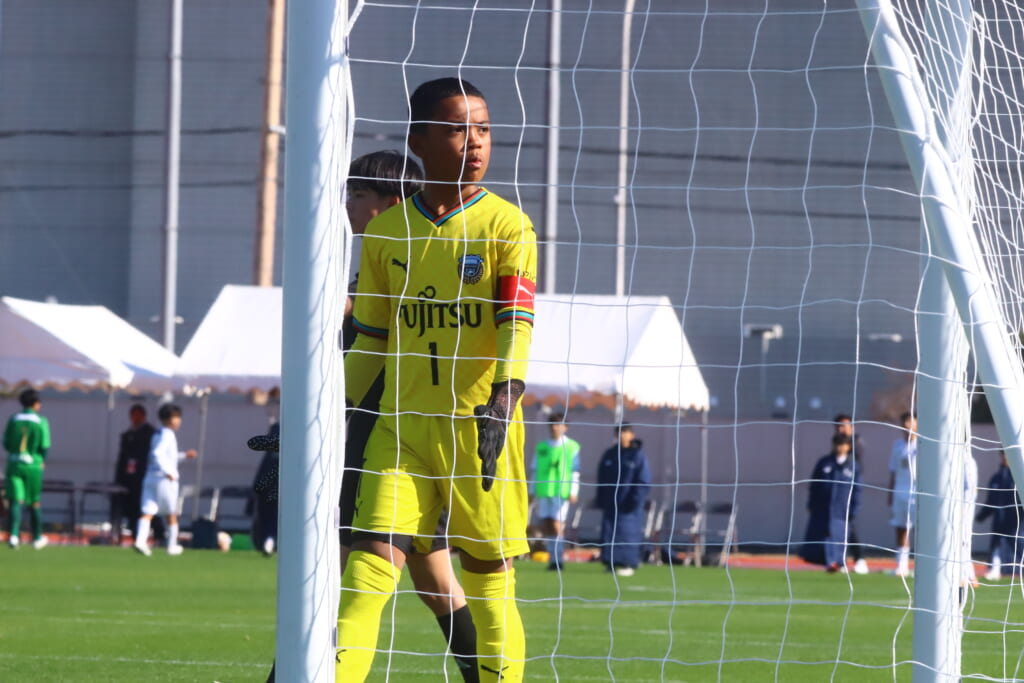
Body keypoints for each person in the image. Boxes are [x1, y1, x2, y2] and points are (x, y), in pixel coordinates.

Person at [336, 77, 536, 682]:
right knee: (366, 575)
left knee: (488, 585)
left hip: (480, 432)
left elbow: (516, 324)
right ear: (419, 141)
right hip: (401, 432)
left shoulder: (508, 226)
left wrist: (506, 394)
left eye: (483, 129)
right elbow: (371, 343)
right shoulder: (387, 233)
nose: (475, 142)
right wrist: (315, 419)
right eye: (457, 129)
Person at [134, 404, 197, 556]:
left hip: (150, 477)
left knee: (148, 511)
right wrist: (168, 471)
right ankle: (172, 545)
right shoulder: (168, 434)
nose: (179, 421)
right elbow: (157, 454)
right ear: (169, 419)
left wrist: (184, 456)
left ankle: (140, 541)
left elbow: (168, 457)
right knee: (171, 513)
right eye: (177, 417)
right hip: (164, 480)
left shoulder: (157, 433)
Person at [800, 433, 862, 572]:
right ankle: (827, 561)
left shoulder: (853, 466)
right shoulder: (824, 462)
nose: (840, 447)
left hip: (841, 509)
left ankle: (839, 562)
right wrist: (811, 503)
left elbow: (857, 489)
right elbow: (814, 485)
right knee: (822, 535)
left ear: (848, 446)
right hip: (823, 508)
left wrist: (854, 508)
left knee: (839, 536)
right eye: (837, 444)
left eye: (842, 444)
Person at [597, 424, 652, 577]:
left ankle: (628, 563)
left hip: (628, 504)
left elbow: (643, 480)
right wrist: (601, 499)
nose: (622, 435)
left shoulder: (637, 456)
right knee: (609, 531)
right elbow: (601, 477)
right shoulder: (610, 454)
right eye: (619, 432)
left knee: (627, 532)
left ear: (632, 435)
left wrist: (635, 499)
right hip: (610, 503)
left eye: (625, 432)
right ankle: (610, 562)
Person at [530, 412, 581, 571]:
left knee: (557, 523)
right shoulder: (542, 447)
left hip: (561, 491)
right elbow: (535, 469)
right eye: (552, 424)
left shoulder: (572, 447)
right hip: (544, 490)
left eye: (558, 424)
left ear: (565, 427)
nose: (554, 428)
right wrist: (532, 490)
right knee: (547, 524)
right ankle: (552, 557)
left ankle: (558, 558)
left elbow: (575, 471)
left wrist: (574, 490)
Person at [4, 388, 51, 549]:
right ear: (35, 403)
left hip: (14, 464)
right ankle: (36, 537)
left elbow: (6, 443)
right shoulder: (40, 421)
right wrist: (41, 460)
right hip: (32, 465)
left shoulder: (14, 419)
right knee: (34, 502)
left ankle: (13, 535)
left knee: (15, 500)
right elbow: (44, 446)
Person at [111, 404, 162, 543]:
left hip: (145, 476)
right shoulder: (127, 435)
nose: (136, 418)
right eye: (133, 415)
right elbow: (123, 458)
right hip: (130, 478)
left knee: (148, 507)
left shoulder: (150, 433)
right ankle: (136, 534)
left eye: (138, 415)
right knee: (133, 507)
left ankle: (159, 534)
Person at [976, 451, 1024, 580]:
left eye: (1007, 454)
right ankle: (995, 569)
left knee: (1019, 549)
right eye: (1003, 454)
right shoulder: (996, 478)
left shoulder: (1019, 478)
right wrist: (981, 516)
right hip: (999, 523)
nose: (1005, 457)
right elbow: (991, 501)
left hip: (1016, 523)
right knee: (996, 547)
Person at [833, 413, 869, 574]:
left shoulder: (857, 442)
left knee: (849, 525)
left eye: (844, 425)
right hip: (837, 489)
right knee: (838, 527)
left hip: (850, 488)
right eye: (838, 426)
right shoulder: (836, 442)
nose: (841, 429)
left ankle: (859, 559)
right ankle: (840, 560)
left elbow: (856, 467)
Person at [888, 411, 918, 577]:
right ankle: (901, 565)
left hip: (918, 494)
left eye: (910, 421)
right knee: (901, 528)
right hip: (900, 492)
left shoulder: (923, 444)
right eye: (904, 422)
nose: (907, 425)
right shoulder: (897, 445)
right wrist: (890, 492)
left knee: (921, 529)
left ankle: (921, 565)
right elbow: (893, 470)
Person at [249, 421, 279, 557]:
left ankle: (269, 540)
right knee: (271, 517)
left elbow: (262, 472)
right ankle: (269, 541)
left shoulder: (271, 454)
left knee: (269, 517)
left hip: (269, 490)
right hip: (272, 491)